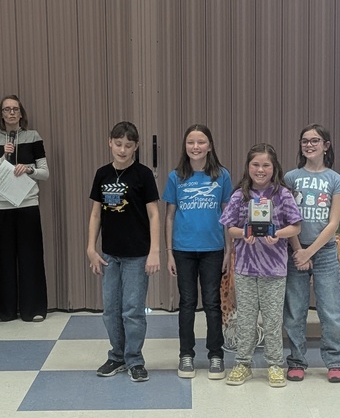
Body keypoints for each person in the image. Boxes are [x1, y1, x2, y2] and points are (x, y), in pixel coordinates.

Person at [219, 144, 301, 387]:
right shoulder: (240, 195)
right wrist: (244, 232)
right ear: (248, 167)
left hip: (274, 270)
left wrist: (278, 233)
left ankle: (275, 365)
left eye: (266, 164)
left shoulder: (283, 195)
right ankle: (243, 363)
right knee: (245, 318)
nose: (260, 169)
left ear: (274, 167)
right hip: (245, 268)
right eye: (255, 164)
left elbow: (296, 226)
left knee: (273, 319)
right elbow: (229, 228)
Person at [87, 121, 160, 383]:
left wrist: (155, 251)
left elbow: (153, 214)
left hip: (137, 254)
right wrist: (91, 248)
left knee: (132, 309)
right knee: (111, 309)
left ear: (136, 147)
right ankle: (116, 356)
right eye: (118, 144)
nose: (122, 150)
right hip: (109, 255)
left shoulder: (142, 175)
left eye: (128, 146)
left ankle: (135, 359)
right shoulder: (102, 174)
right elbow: (96, 213)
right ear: (110, 142)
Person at [163, 125, 232, 380]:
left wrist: (228, 252)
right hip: (183, 250)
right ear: (185, 146)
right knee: (187, 303)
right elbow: (169, 217)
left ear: (210, 146)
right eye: (191, 142)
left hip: (213, 249)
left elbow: (228, 216)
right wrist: (169, 252)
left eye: (201, 142)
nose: (195, 146)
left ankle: (216, 355)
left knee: (213, 304)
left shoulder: (222, 176)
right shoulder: (176, 176)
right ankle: (186, 354)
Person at [283, 123, 340, 382]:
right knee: (295, 310)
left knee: (331, 309)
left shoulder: (335, 179)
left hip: (324, 252)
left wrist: (310, 252)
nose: (309, 145)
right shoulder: (291, 178)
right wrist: (299, 250)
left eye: (315, 140)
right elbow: (287, 218)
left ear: (326, 146)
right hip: (295, 252)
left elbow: (333, 223)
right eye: (305, 141)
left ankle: (335, 361)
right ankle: (297, 360)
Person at [0, 95, 49, 321]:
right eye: (6, 110)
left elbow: (45, 172)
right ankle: (3, 310)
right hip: (0, 205)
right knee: (2, 257)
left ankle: (34, 309)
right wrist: (4, 155)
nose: (11, 113)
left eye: (15, 109)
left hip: (27, 203)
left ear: (21, 113)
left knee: (30, 256)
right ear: (1, 115)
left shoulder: (33, 137)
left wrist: (29, 170)